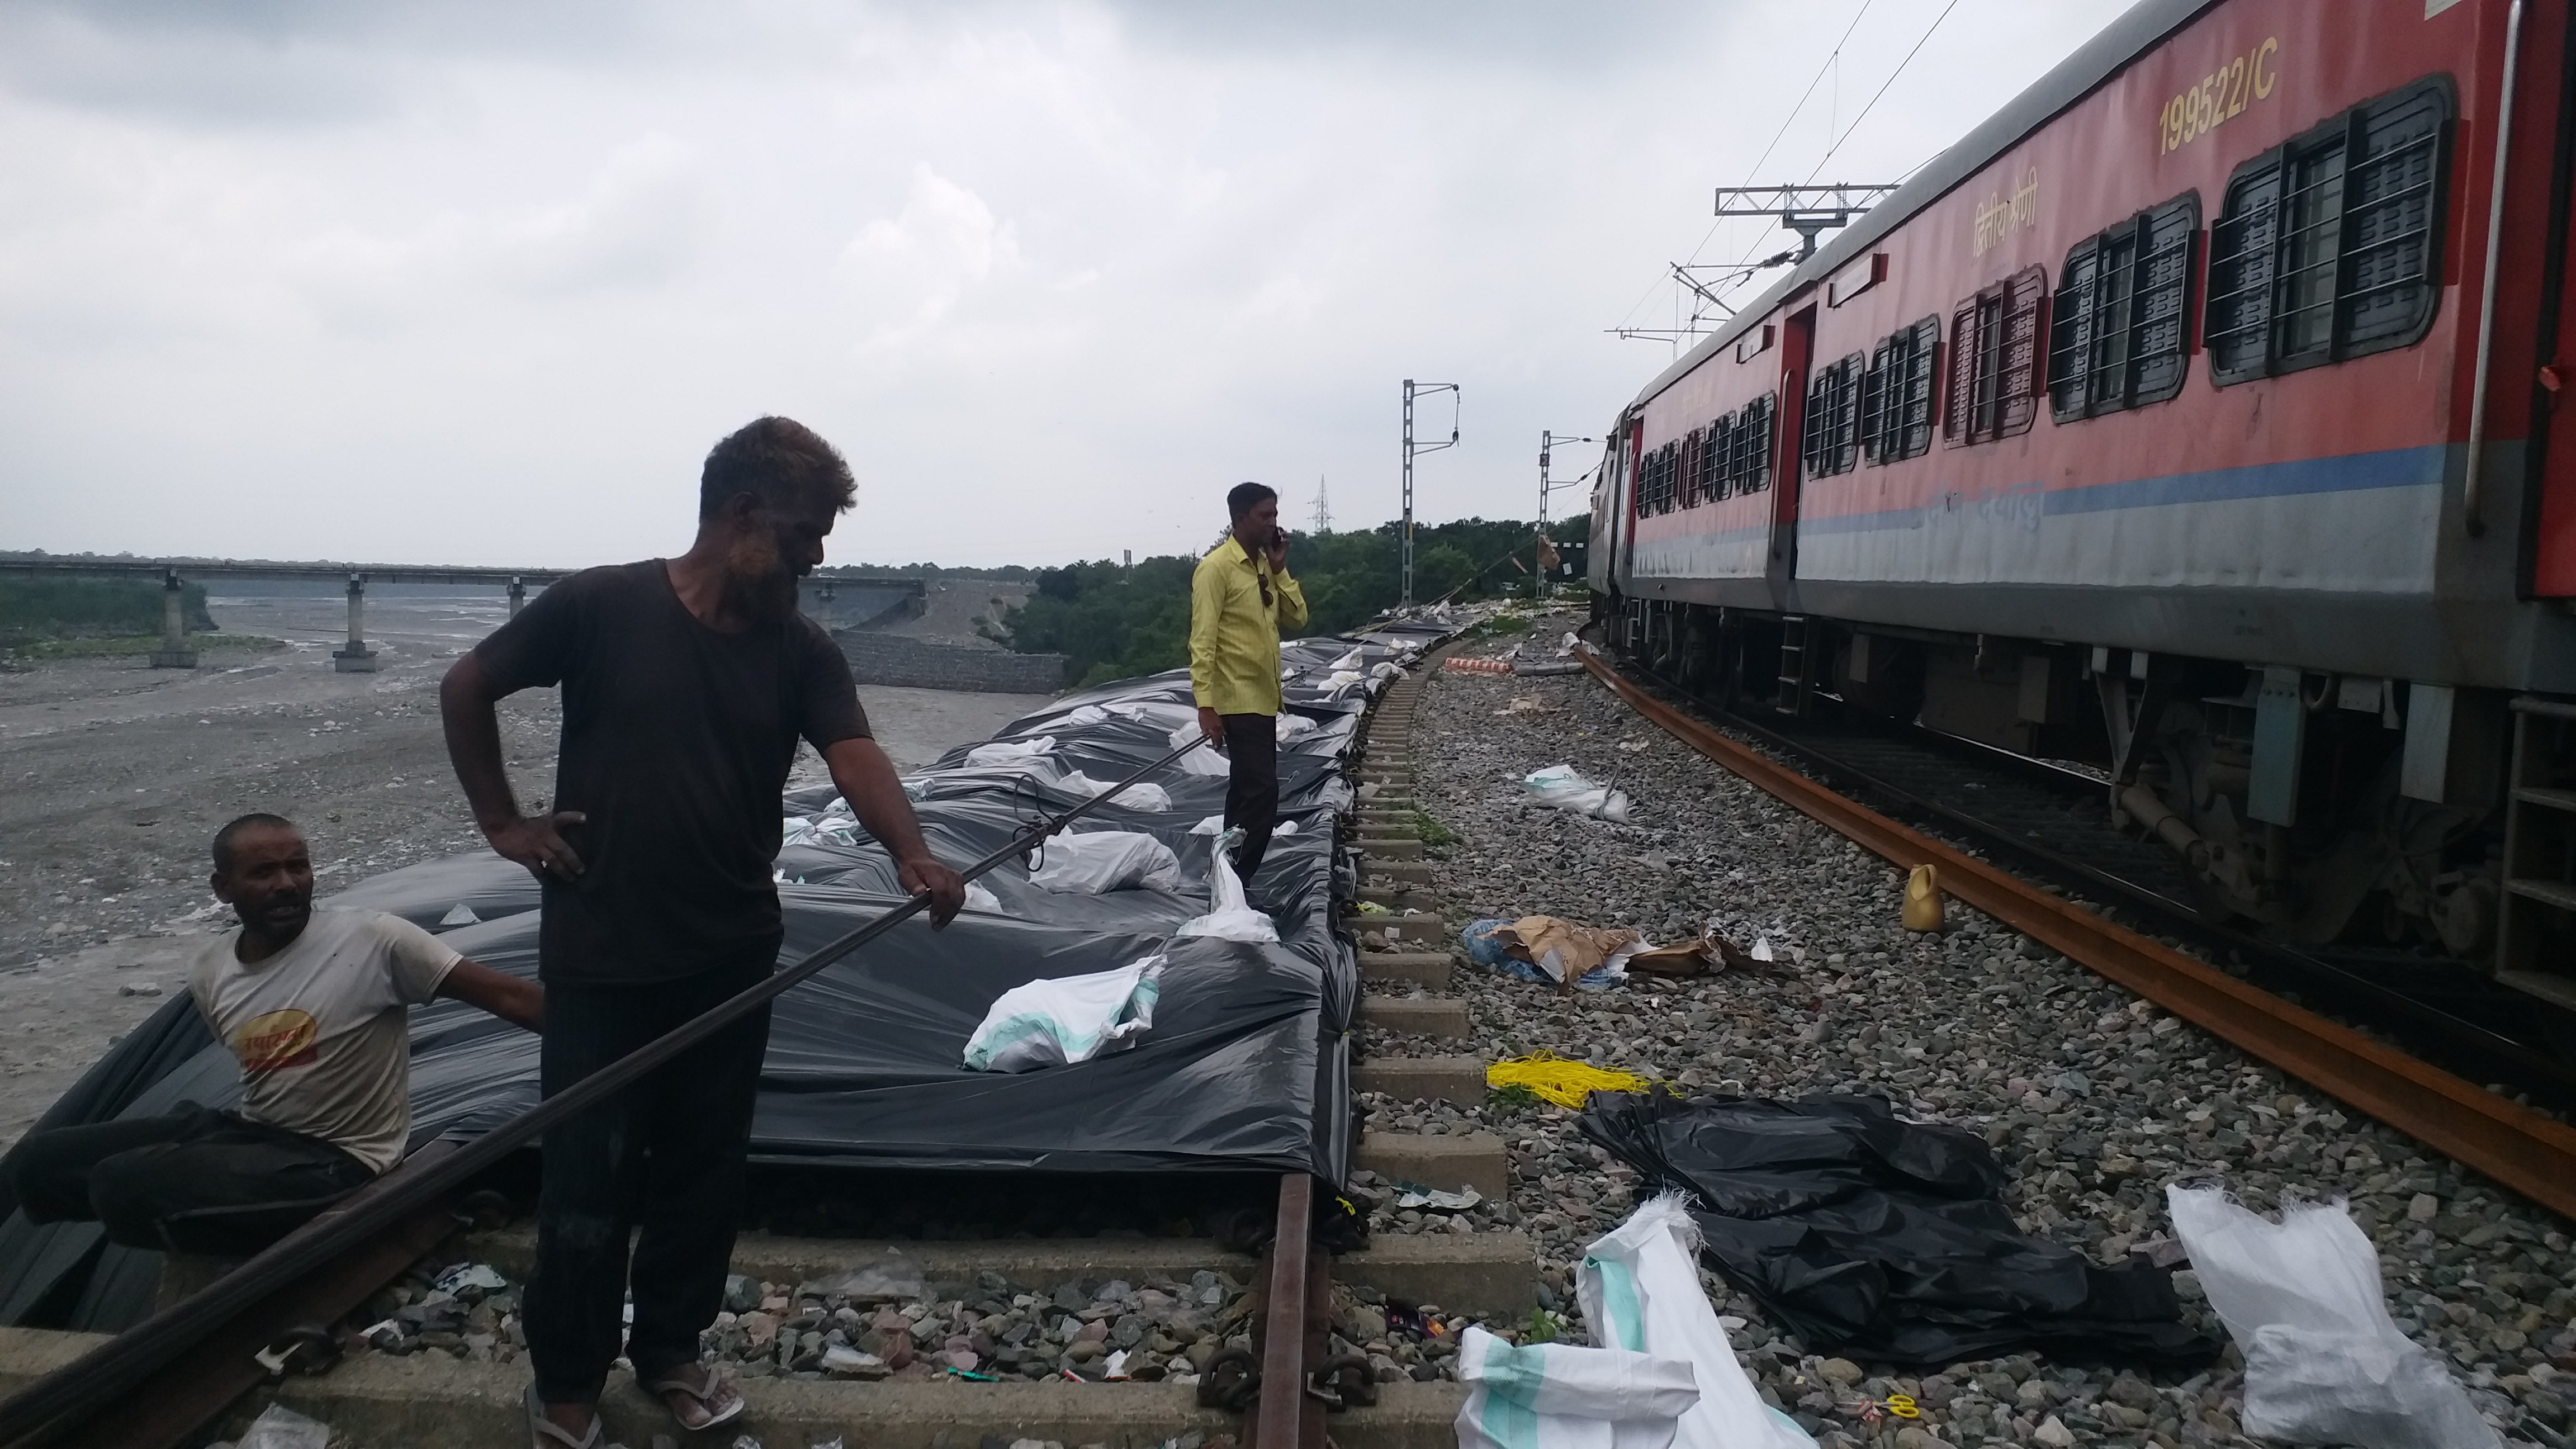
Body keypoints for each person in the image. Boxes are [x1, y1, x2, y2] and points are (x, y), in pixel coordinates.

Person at [440, 415, 967, 1448]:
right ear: (743, 516)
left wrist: (911, 850)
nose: (820, 555)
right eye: (809, 532)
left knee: (701, 1171)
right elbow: (468, 684)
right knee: (586, 1175)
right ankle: (566, 1381)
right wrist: (504, 822)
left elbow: (854, 754)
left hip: (730, 953)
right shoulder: (602, 604)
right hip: (602, 951)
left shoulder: (799, 649)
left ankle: (672, 1349)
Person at [6, 814, 542, 1256]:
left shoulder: (375, 940)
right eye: (264, 873)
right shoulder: (211, 969)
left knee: (122, 1183)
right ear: (224, 889)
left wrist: (608, 1031)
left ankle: (240, 1259)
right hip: (256, 1132)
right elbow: (255, 1068)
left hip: (339, 1161)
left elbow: (508, 997)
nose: (287, 884)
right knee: (37, 1164)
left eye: (298, 867)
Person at [1190, 481, 1308, 887]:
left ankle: (1226, 877)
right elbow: (1202, 641)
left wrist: (1279, 569)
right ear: (1241, 519)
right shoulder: (1215, 569)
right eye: (1265, 516)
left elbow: (1298, 617)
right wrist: (1206, 705)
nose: (1274, 523)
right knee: (1262, 792)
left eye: (1275, 514)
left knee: (1244, 793)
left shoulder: (1263, 566)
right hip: (1235, 698)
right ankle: (1238, 877)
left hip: (1263, 698)